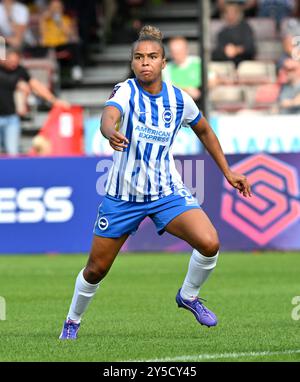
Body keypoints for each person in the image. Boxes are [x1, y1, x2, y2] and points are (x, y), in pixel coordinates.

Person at [59, 25, 251, 340]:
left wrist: (228, 172)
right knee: (96, 269)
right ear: (133, 63)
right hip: (123, 197)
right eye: (139, 57)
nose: (145, 62)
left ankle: (188, 296)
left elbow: (204, 130)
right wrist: (110, 133)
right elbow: (109, 116)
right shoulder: (126, 90)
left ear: (163, 63)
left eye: (152, 57)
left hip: (166, 192)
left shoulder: (179, 100)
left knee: (210, 242)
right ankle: (72, 321)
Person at [0, 47, 69, 155]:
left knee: (12, 153)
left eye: (16, 61)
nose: (14, 64)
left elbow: (36, 86)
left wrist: (54, 100)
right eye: (11, 61)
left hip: (11, 118)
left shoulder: (19, 70)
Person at [39, 0, 83, 81]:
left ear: (62, 9)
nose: (55, 10)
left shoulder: (66, 19)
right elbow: (41, 34)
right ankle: (52, 73)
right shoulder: (45, 20)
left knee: (75, 45)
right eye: (53, 8)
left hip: (62, 45)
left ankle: (76, 69)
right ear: (49, 8)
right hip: (48, 45)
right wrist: (43, 19)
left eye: (57, 8)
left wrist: (59, 22)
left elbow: (70, 34)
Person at [212, 2, 256, 67]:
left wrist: (237, 50)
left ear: (238, 14)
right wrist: (225, 50)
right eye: (228, 12)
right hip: (226, 64)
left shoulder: (246, 28)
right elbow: (217, 51)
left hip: (244, 63)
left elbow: (250, 48)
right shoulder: (222, 32)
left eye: (233, 12)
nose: (230, 15)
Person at [163, 36, 201, 101]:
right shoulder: (166, 69)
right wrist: (187, 91)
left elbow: (212, 80)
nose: (177, 54)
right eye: (174, 51)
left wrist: (200, 90)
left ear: (187, 50)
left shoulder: (198, 62)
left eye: (180, 50)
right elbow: (168, 89)